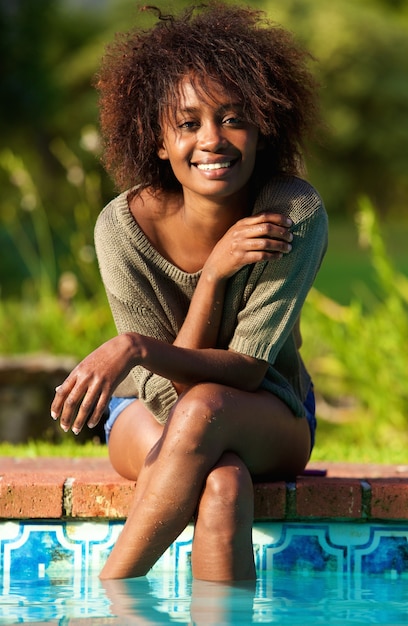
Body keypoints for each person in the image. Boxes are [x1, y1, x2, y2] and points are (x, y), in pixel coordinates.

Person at [51, 2, 328, 582]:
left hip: (269, 407)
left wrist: (135, 346)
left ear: (261, 129)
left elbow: (250, 372)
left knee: (205, 412)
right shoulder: (122, 228)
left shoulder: (289, 213)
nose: (213, 140)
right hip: (144, 406)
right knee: (223, 481)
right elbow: (169, 396)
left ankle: (110, 598)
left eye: (233, 119)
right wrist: (214, 277)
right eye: (189, 122)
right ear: (157, 140)